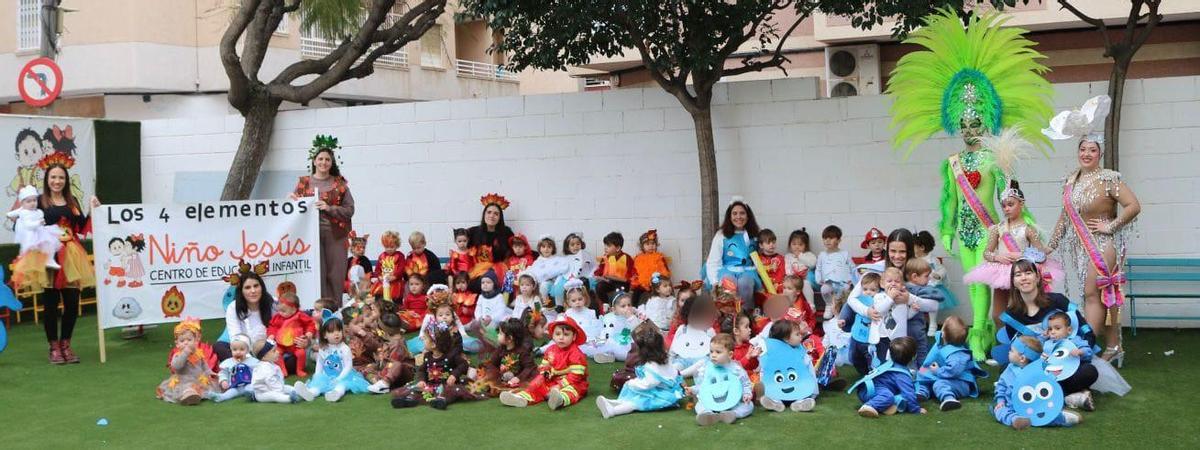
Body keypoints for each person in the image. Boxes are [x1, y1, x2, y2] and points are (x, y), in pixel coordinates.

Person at [888, 10, 1054, 364]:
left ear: (986, 119)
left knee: (987, 284)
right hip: (963, 233)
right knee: (973, 283)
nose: (969, 129)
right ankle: (982, 336)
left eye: (975, 122)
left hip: (989, 230)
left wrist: (1017, 219)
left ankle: (979, 337)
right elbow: (948, 200)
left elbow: (1008, 199)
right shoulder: (952, 162)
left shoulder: (996, 157)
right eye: (963, 124)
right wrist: (945, 230)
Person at [1044, 95, 1142, 366]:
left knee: (1092, 293)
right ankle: (1112, 345)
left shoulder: (1109, 178)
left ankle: (1084, 345)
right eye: (1083, 149)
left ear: (1100, 153)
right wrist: (1049, 246)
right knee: (1100, 296)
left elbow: (1134, 206)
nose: (1087, 154)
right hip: (1079, 246)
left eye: (1092, 150)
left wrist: (1111, 225)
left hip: (1102, 245)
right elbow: (1065, 217)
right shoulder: (1070, 180)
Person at [964, 180, 1063, 330]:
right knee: (998, 314)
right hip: (1002, 273)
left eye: (1011, 204)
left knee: (1023, 310)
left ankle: (1025, 341)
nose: (1007, 209)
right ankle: (1003, 342)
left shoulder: (1029, 229)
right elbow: (987, 253)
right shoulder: (997, 229)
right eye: (1004, 206)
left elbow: (1041, 255)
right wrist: (997, 257)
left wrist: (1021, 254)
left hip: (1022, 272)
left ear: (1021, 204)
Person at [36, 152, 100, 364]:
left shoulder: (72, 202)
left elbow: (81, 228)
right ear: (47, 179)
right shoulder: (39, 202)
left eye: (61, 177)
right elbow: (27, 226)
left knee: (72, 303)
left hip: (72, 257)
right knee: (51, 304)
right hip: (49, 256)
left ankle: (66, 344)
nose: (57, 181)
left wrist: (92, 210)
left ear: (66, 180)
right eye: (53, 177)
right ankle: (53, 347)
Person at [289, 135, 355, 304]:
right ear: (314, 161)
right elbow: (294, 209)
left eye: (327, 159)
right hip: (310, 236)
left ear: (331, 162)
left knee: (335, 273)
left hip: (336, 235)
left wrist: (329, 208)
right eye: (320, 159)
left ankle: (336, 309)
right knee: (317, 272)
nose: (323, 162)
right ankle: (321, 309)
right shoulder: (303, 183)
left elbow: (349, 210)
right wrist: (290, 201)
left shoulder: (340, 184)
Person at [500, 315, 590, 410]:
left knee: (572, 391)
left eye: (566, 334)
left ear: (574, 336)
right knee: (537, 384)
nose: (561, 338)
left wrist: (560, 385)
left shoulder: (576, 353)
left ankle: (559, 399)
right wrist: (545, 374)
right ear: (553, 336)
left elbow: (576, 375)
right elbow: (544, 366)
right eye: (558, 334)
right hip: (552, 380)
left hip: (572, 382)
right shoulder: (551, 349)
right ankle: (521, 398)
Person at [596, 324, 684, 418]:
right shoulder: (664, 358)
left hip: (662, 394)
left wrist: (633, 383)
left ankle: (613, 411)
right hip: (665, 389)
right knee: (635, 395)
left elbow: (649, 383)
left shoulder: (652, 366)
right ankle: (614, 402)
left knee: (636, 402)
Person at [993, 336, 1082, 429]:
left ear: (1022, 358)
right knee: (999, 411)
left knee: (1044, 415)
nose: (1009, 352)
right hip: (1011, 406)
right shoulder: (1009, 369)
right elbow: (1001, 386)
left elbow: (1049, 390)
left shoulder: (1038, 371)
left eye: (1011, 350)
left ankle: (1061, 418)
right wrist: (1000, 401)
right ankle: (1015, 419)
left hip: (1035, 407)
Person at [390, 325, 479, 410]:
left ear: (433, 345)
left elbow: (464, 365)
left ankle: (441, 400)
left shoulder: (452, 356)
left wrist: (454, 375)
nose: (422, 340)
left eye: (425, 339)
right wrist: (422, 380)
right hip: (430, 385)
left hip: (447, 385)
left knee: (450, 392)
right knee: (416, 389)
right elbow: (422, 370)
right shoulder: (427, 356)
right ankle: (410, 399)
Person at [705, 198, 763, 314]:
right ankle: (729, 318)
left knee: (745, 284)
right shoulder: (721, 235)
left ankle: (746, 317)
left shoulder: (755, 234)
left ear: (748, 216)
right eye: (734, 213)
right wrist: (715, 281)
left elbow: (761, 257)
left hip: (748, 271)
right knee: (728, 284)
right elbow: (713, 261)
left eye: (742, 213)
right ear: (729, 216)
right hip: (727, 270)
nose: (738, 217)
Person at [916, 316, 986, 411]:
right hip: (944, 376)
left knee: (940, 384)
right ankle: (922, 393)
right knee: (923, 374)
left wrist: (937, 371)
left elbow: (953, 372)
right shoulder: (942, 342)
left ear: (944, 334)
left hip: (960, 382)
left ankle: (949, 398)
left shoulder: (958, 355)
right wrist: (928, 370)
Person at [295, 318, 372, 402]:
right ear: (324, 335)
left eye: (339, 330)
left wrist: (339, 378)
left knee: (341, 386)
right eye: (332, 332)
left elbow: (348, 366)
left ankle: (336, 394)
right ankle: (310, 393)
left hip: (343, 376)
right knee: (318, 386)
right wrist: (317, 376)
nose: (336, 334)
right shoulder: (323, 348)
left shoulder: (344, 349)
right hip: (326, 376)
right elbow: (320, 363)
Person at [684, 333, 753, 426]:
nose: (713, 355)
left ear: (730, 354)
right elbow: (703, 387)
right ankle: (708, 415)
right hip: (711, 402)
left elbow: (745, 384)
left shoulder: (737, 370)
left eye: (718, 352)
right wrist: (692, 389)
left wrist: (747, 394)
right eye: (711, 351)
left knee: (749, 406)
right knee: (699, 405)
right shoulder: (706, 369)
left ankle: (733, 414)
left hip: (733, 402)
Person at [850, 336, 926, 418]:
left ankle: (883, 406)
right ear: (914, 356)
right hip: (871, 391)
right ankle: (869, 406)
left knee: (892, 395)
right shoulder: (902, 375)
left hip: (866, 389)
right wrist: (916, 409)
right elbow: (909, 394)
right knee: (888, 396)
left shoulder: (890, 364)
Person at [213, 271, 276, 362]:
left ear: (262, 287)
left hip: (266, 348)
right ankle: (249, 366)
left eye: (256, 286)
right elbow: (236, 337)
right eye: (247, 287)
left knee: (291, 360)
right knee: (219, 348)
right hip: (242, 349)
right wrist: (248, 358)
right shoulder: (233, 307)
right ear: (241, 291)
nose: (253, 291)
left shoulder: (272, 303)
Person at [758, 319, 818, 413]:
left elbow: (809, 372)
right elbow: (765, 372)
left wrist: (812, 391)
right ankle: (776, 403)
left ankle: (799, 404)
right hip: (777, 389)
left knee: (801, 395)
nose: (801, 336)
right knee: (774, 394)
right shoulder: (772, 354)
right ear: (786, 339)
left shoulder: (801, 352)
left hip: (798, 389)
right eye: (797, 334)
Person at [156, 318, 218, 405]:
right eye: (182, 341)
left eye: (189, 340)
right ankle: (189, 396)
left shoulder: (199, 353)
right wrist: (185, 353)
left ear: (196, 341)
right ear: (177, 344)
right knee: (187, 388)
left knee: (210, 385)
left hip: (198, 378)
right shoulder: (178, 355)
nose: (186, 343)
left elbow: (204, 365)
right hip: (183, 379)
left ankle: (197, 394)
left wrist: (209, 372)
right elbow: (176, 366)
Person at [471, 317, 537, 398]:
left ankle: (514, 396)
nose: (498, 335)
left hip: (519, 379)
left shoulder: (522, 352)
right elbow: (493, 363)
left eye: (501, 333)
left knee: (525, 388)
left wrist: (518, 378)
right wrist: (495, 373)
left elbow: (529, 367)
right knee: (487, 378)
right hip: (503, 378)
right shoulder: (501, 349)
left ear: (510, 338)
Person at [467, 193, 516, 292]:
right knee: (478, 283)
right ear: (484, 214)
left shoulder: (506, 233)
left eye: (496, 213)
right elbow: (463, 250)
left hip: (499, 270)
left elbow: (516, 250)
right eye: (489, 212)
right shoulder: (473, 232)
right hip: (477, 271)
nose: (492, 216)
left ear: (499, 217)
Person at [266, 290, 317, 377]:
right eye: (279, 310)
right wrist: (271, 334)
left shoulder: (300, 315)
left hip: (296, 344)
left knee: (301, 354)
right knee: (277, 353)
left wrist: (309, 333)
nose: (280, 313)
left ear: (293, 310)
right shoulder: (278, 317)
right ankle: (282, 369)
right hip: (281, 344)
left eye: (283, 311)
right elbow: (272, 326)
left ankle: (299, 369)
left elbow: (310, 323)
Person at [581, 291, 640, 363]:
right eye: (623, 306)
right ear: (614, 309)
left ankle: (614, 356)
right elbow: (605, 331)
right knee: (595, 346)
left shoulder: (632, 317)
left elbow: (638, 328)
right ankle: (608, 356)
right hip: (611, 341)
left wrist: (631, 317)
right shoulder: (609, 317)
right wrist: (601, 341)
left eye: (629, 305)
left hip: (627, 343)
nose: (627, 308)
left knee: (625, 353)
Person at [669, 293, 717, 374]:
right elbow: (673, 350)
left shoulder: (709, 330)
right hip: (684, 363)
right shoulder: (682, 329)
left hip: (702, 365)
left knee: (701, 372)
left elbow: (716, 348)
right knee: (682, 373)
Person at [816, 225, 854, 320]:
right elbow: (818, 268)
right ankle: (829, 305)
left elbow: (852, 267)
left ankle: (838, 307)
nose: (827, 241)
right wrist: (819, 279)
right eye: (825, 238)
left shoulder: (845, 253)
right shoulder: (822, 255)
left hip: (842, 282)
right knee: (824, 289)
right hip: (828, 282)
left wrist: (850, 279)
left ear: (839, 240)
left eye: (831, 238)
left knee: (846, 289)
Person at [249, 339, 302, 403]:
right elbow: (271, 380)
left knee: (287, 387)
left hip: (272, 388)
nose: (278, 352)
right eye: (274, 351)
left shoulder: (270, 364)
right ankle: (289, 399)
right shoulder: (265, 368)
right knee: (274, 396)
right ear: (264, 357)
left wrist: (281, 387)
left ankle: (300, 391)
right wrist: (280, 390)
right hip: (263, 393)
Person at [212, 334, 260, 402]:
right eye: (235, 349)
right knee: (231, 392)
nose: (238, 352)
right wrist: (223, 381)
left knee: (251, 388)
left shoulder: (252, 361)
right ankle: (221, 397)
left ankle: (251, 395)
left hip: (249, 383)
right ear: (231, 350)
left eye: (242, 349)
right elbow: (223, 373)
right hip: (235, 386)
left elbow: (259, 372)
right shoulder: (228, 362)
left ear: (248, 350)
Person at [594, 232, 636, 306]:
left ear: (618, 248)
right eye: (605, 245)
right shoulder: (606, 257)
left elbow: (630, 276)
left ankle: (618, 306)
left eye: (609, 246)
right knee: (599, 286)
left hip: (622, 283)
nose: (605, 248)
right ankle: (607, 304)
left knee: (619, 290)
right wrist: (599, 276)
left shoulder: (627, 258)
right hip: (609, 282)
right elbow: (600, 271)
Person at [630, 229, 671, 303]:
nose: (650, 246)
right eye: (647, 244)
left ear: (656, 245)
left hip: (657, 282)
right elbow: (634, 272)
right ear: (642, 246)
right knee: (636, 293)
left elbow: (666, 273)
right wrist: (637, 282)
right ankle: (634, 309)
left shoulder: (660, 257)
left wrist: (660, 280)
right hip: (642, 285)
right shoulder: (638, 259)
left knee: (662, 291)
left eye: (652, 243)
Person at [784, 228, 817, 308]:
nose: (797, 247)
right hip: (794, 280)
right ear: (790, 245)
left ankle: (811, 305)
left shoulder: (809, 254)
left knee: (805, 283)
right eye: (794, 244)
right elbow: (787, 268)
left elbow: (812, 264)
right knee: (788, 286)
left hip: (807, 280)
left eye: (800, 245)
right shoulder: (788, 256)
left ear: (805, 246)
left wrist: (800, 256)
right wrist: (791, 276)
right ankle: (790, 306)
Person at [372, 231, 407, 302]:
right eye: (386, 247)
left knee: (395, 300)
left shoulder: (400, 256)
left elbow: (401, 268)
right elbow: (378, 269)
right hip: (383, 282)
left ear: (397, 246)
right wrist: (379, 276)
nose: (389, 249)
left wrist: (395, 276)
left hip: (395, 282)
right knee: (379, 297)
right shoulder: (382, 256)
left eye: (392, 247)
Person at [757, 229, 786, 293]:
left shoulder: (780, 258)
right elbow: (758, 273)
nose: (771, 245)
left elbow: (782, 273)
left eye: (773, 242)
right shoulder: (758, 259)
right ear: (761, 245)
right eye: (768, 243)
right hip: (764, 285)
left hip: (777, 284)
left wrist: (777, 283)